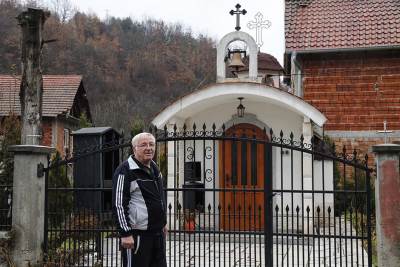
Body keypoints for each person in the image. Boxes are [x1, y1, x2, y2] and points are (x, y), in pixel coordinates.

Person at [112, 132, 167, 267]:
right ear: (134, 148)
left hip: (157, 235)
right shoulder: (125, 170)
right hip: (137, 237)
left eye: (151, 144)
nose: (149, 148)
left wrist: (163, 221)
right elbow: (119, 204)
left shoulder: (154, 168)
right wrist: (125, 233)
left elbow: (159, 197)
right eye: (143, 145)